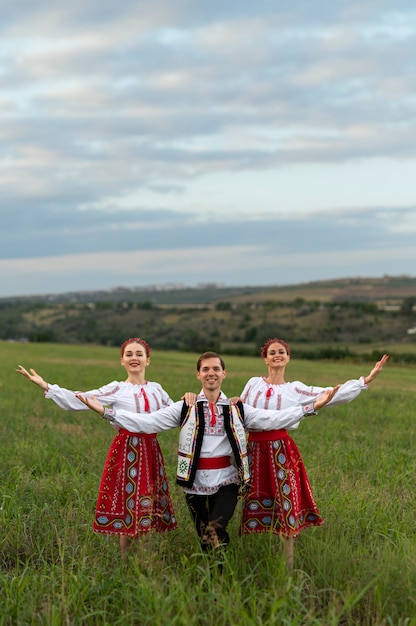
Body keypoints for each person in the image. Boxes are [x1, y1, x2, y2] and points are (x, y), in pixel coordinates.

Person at [74, 351, 340, 555]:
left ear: (224, 374)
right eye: (205, 370)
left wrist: (311, 407)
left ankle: (221, 574)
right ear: (198, 375)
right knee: (204, 537)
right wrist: (106, 412)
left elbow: (273, 418)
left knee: (216, 528)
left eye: (215, 369)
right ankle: (214, 578)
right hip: (195, 482)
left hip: (227, 481)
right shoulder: (186, 407)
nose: (211, 373)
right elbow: (148, 423)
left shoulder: (237, 407)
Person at [16, 337, 179, 561]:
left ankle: (144, 562)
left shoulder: (157, 389)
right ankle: (126, 563)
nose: (134, 358)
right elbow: (81, 399)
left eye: (139, 354)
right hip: (128, 451)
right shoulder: (117, 388)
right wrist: (47, 387)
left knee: (148, 505)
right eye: (129, 354)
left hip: (151, 450)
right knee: (130, 505)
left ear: (148, 360)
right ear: (122, 360)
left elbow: (175, 412)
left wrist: (192, 400)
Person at [239, 338, 389, 568]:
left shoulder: (294, 389)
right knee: (251, 497)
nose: (277, 355)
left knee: (285, 502)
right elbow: (241, 409)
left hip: (281, 449)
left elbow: (330, 394)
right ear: (265, 358)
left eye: (282, 352)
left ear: (288, 358)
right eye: (272, 352)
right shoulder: (252, 384)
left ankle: (286, 565)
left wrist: (363, 382)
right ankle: (247, 558)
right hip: (254, 450)